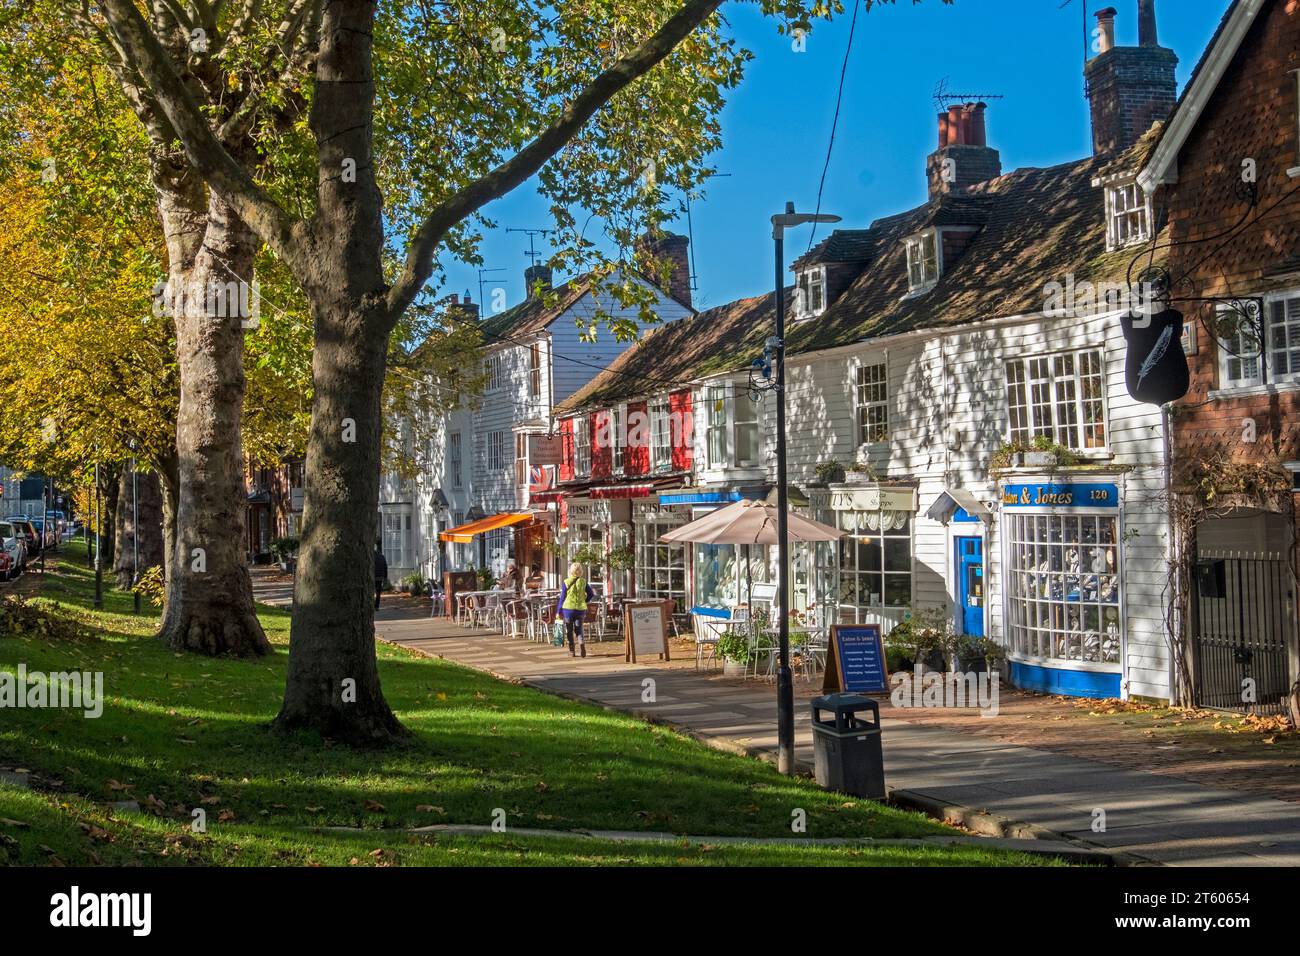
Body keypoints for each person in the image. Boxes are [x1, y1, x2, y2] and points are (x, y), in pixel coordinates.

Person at [556, 561, 594, 658]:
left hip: (568, 609)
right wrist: (584, 601)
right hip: (580, 610)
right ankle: (581, 643)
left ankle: (572, 651)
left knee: (569, 630)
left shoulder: (566, 582)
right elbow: (591, 594)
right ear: (580, 571)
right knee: (579, 629)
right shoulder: (583, 582)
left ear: (571, 571)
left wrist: (558, 611)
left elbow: (562, 597)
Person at [373, 543, 388, 611]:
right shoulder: (382, 556)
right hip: (380, 577)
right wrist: (385, 577)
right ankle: (377, 606)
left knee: (371, 592)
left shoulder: (372, 556)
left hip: (373, 576)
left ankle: (372, 605)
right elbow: (385, 567)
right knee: (378, 592)